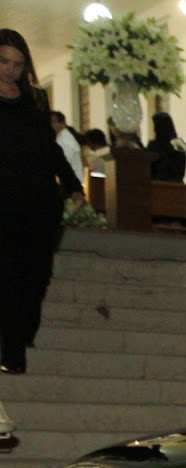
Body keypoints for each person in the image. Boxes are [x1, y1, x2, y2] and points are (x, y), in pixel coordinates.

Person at [0, 28, 86, 383]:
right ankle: (12, 352)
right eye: (4, 61)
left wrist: (74, 186)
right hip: (3, 204)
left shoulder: (35, 100)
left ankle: (21, 335)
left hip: (39, 203)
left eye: (18, 64)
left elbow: (50, 149)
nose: (11, 69)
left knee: (36, 276)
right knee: (7, 275)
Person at [147, 111, 186, 182]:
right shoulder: (179, 146)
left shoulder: (154, 146)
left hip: (162, 184)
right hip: (173, 185)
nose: (154, 129)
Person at [48, 110, 84, 185]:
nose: (51, 125)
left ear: (62, 123)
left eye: (53, 122)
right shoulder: (60, 137)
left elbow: (63, 164)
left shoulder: (65, 140)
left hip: (70, 182)